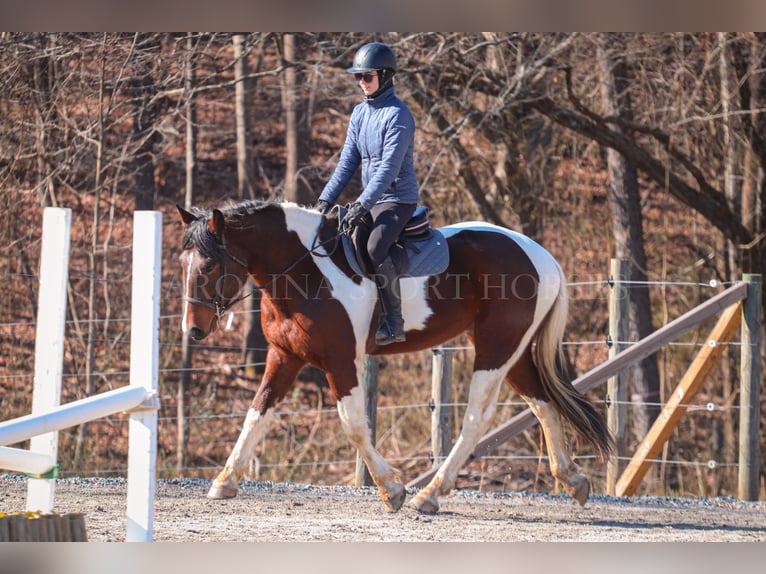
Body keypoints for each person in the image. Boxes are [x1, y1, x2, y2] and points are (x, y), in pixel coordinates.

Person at [316, 42, 419, 346]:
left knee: (375, 249)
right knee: (340, 241)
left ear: (386, 76)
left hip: (398, 199)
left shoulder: (399, 116)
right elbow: (348, 162)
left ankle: (394, 321)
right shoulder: (359, 114)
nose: (361, 82)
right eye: (358, 76)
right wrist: (324, 200)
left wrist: (362, 204)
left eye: (367, 76)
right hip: (371, 200)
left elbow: (388, 170)